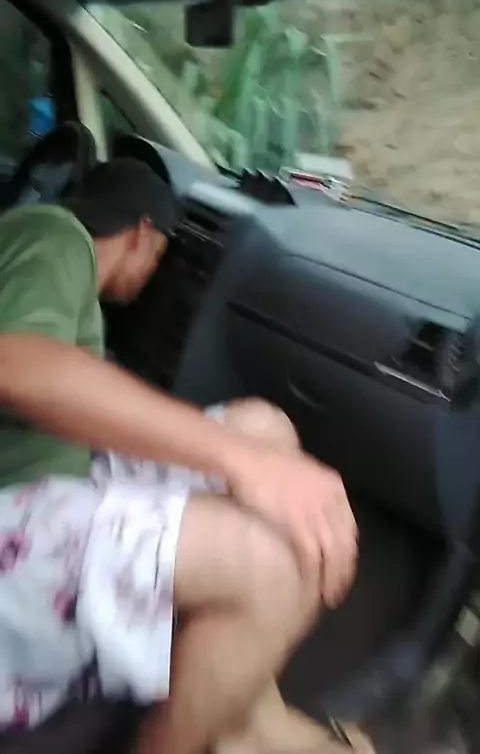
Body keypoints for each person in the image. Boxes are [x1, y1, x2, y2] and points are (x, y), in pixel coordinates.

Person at [0, 158, 359, 754]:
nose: (154, 272)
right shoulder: (52, 234)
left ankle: (245, 722)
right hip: (14, 503)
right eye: (160, 255)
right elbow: (16, 365)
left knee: (262, 427)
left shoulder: (49, 263)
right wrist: (242, 464)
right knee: (273, 563)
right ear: (142, 232)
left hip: (60, 475)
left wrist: (248, 453)